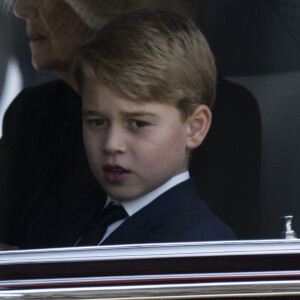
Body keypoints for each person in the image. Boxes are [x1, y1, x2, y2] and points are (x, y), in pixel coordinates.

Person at [21, 9, 235, 249]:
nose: (112, 144)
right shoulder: (52, 227)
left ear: (194, 128)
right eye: (97, 121)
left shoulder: (201, 247)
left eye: (138, 123)